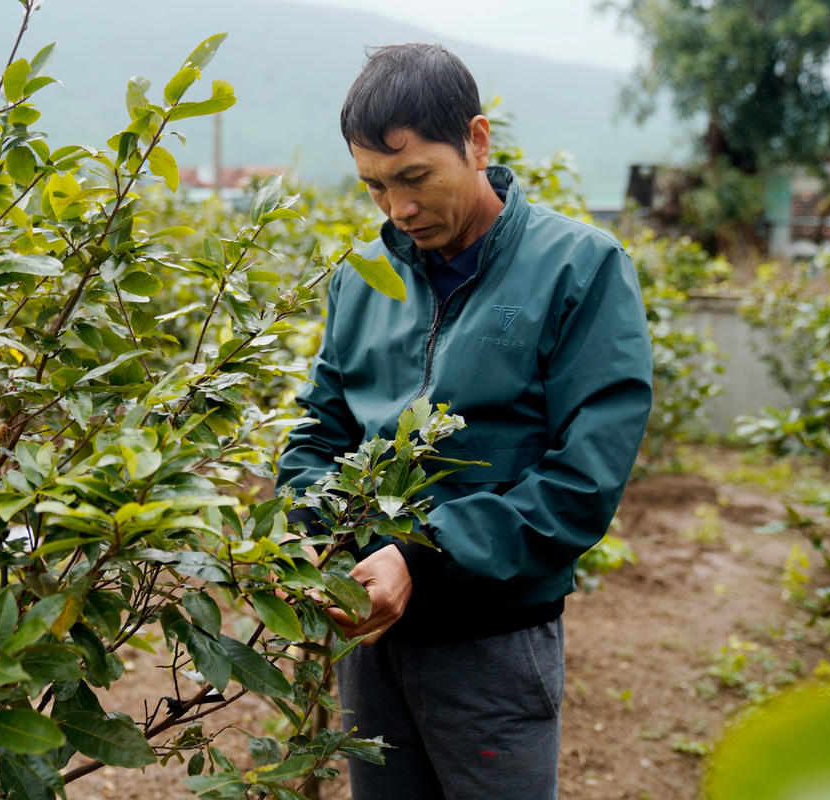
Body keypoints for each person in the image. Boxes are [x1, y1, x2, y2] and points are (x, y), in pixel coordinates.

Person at [276, 43, 653, 799]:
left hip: (493, 644)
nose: (399, 209)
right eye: (376, 186)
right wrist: (316, 531)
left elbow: (584, 478)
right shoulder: (362, 279)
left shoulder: (580, 267)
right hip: (372, 638)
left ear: (477, 141)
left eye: (415, 177)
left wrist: (421, 559)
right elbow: (317, 434)